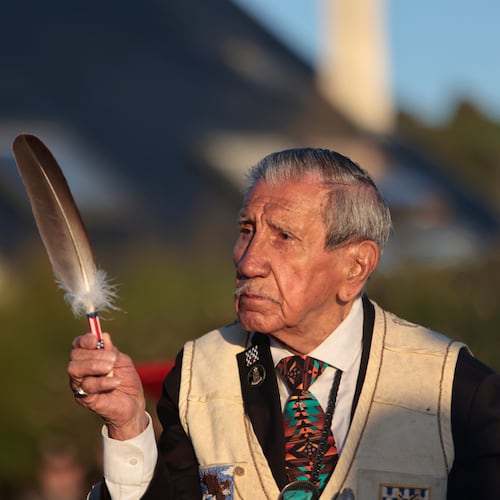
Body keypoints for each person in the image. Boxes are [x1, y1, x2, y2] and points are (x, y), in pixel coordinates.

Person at [68, 148, 500, 500]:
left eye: (284, 237)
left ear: (356, 266)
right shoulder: (197, 375)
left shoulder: (456, 391)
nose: (249, 260)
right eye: (246, 229)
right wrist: (128, 427)